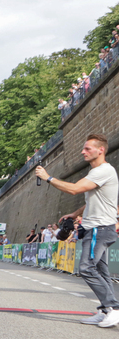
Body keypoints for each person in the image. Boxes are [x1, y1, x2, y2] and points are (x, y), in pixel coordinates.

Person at [35, 134, 119, 327]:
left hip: (99, 229)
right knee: (100, 270)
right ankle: (106, 310)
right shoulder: (97, 173)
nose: (83, 151)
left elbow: (74, 189)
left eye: (87, 148)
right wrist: (74, 214)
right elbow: (93, 200)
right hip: (98, 228)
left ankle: (113, 308)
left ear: (101, 150)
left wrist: (48, 177)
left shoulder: (103, 171)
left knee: (86, 268)